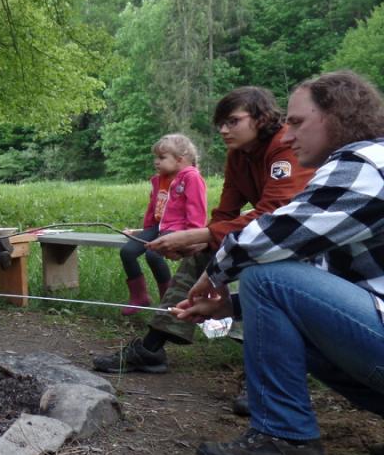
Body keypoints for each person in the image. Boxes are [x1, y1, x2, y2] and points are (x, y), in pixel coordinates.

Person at [176, 70, 384, 455]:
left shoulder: (365, 165)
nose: (287, 136)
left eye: (298, 122)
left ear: (337, 117)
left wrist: (215, 277)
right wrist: (229, 307)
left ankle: (285, 436)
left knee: (264, 276)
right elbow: (327, 290)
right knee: (270, 288)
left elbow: (271, 236)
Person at [93, 87, 314, 405]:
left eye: (233, 121)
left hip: (304, 242)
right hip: (269, 235)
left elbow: (275, 213)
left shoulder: (284, 146)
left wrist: (199, 236)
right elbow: (226, 212)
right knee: (204, 256)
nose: (224, 130)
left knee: (260, 274)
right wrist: (202, 242)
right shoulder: (238, 155)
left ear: (261, 117)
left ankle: (264, 377)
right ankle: (151, 350)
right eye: (221, 123)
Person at [118, 134, 207, 315]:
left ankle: (166, 301)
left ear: (180, 160)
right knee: (127, 252)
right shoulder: (159, 179)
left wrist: (191, 236)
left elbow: (196, 208)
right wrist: (144, 230)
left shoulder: (191, 178)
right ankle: (139, 296)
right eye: (156, 157)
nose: (156, 162)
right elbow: (153, 208)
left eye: (161, 157)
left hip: (179, 229)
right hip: (158, 227)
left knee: (153, 254)